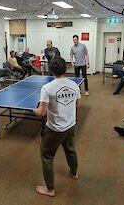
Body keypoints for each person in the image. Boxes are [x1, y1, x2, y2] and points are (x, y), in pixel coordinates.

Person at [34, 56, 81, 197]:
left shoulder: (47, 88)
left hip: (55, 129)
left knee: (47, 156)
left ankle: (50, 189)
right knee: (70, 150)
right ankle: (74, 173)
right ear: (65, 68)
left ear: (51, 69)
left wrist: (35, 110)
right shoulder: (74, 85)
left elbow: (41, 113)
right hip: (71, 125)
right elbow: (78, 104)